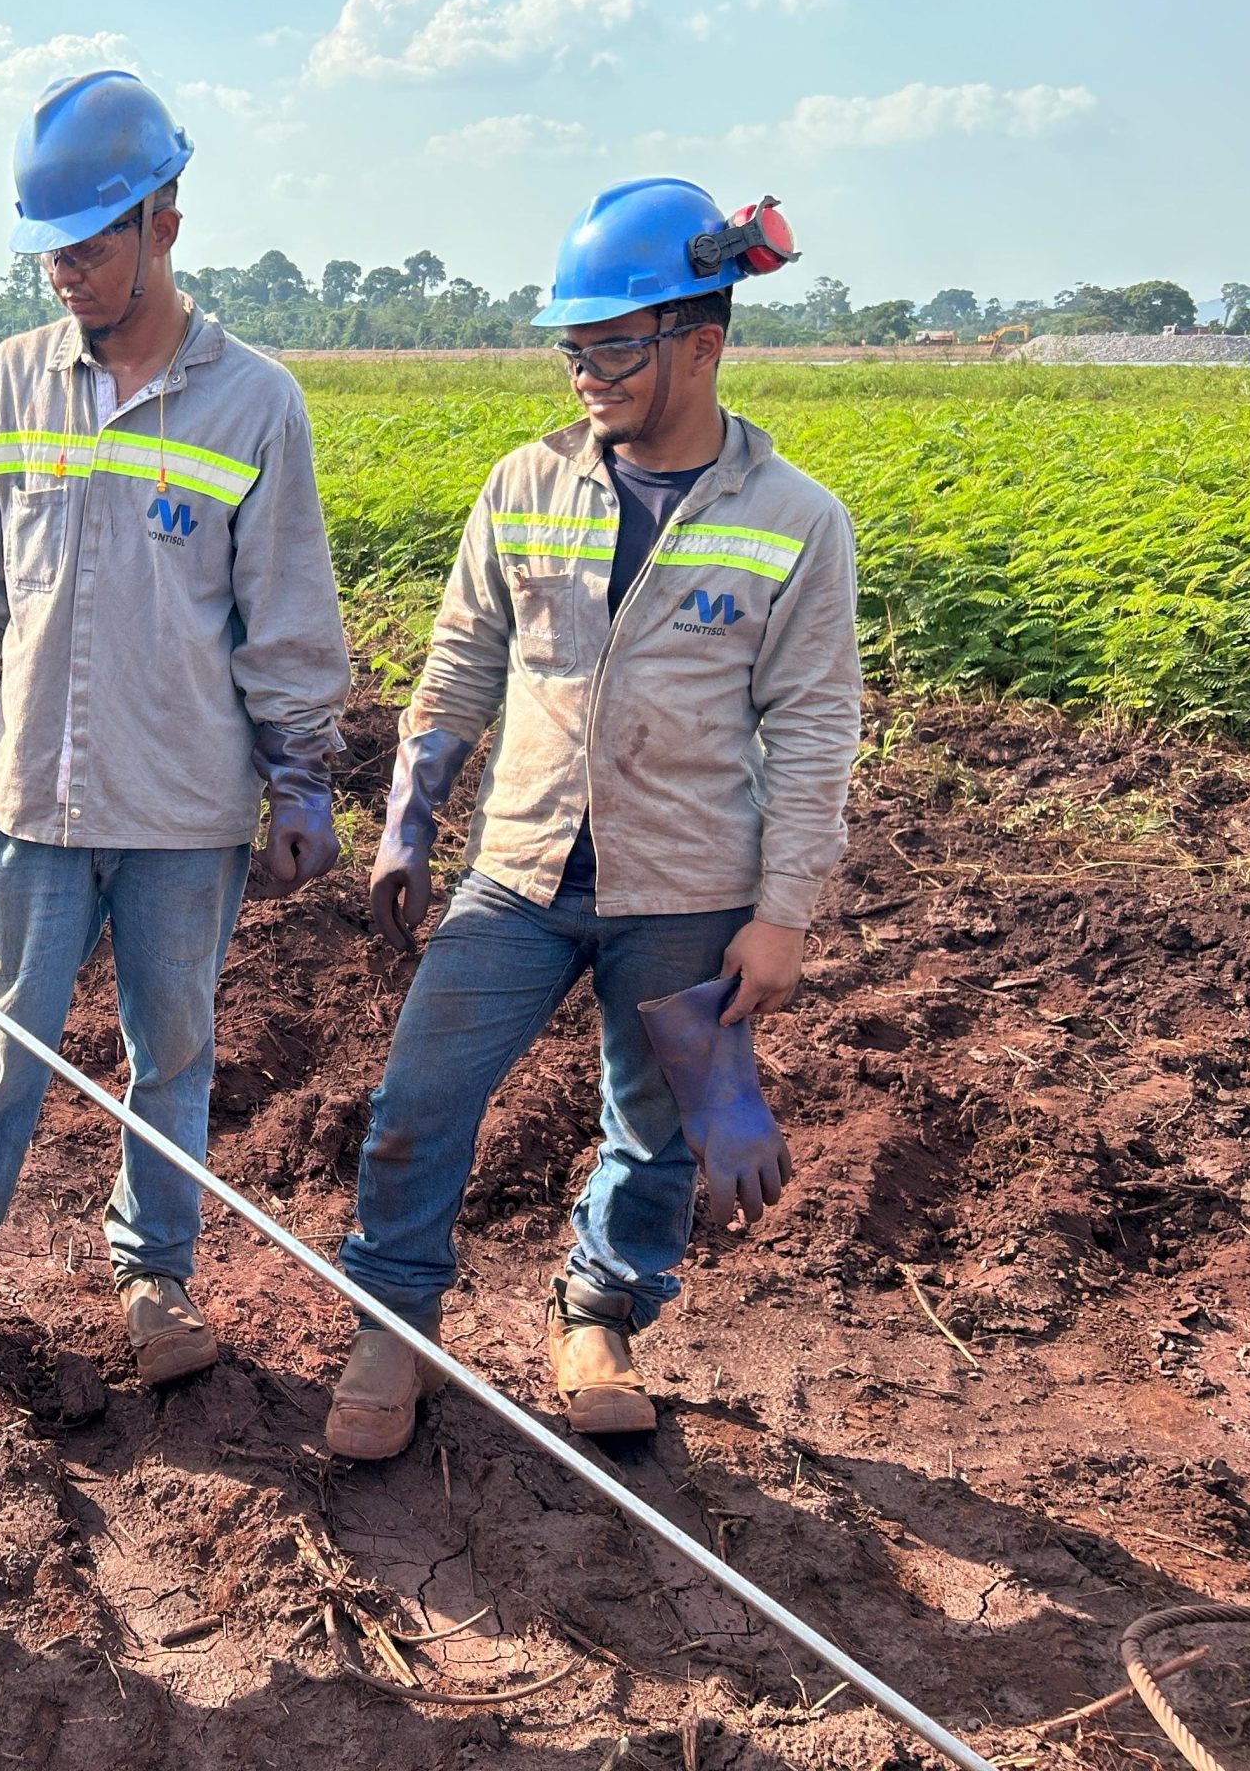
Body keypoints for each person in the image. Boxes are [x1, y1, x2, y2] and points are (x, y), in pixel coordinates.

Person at [0, 70, 352, 1386]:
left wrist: (304, 778)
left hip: (185, 807)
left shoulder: (254, 403)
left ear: (165, 218)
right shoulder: (9, 388)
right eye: (47, 252)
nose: (64, 276)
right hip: (32, 798)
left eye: (88, 246)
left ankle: (155, 1286)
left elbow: (286, 615)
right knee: (0, 1044)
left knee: (173, 1057)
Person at [324, 179, 863, 1460]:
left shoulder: (794, 521)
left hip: (686, 886)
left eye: (613, 346)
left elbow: (813, 733)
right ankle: (392, 1320)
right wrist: (409, 817)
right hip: (516, 867)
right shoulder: (524, 484)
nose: (586, 375)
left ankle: (600, 1315)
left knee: (656, 1127)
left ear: (701, 343)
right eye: (573, 348)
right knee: (416, 1101)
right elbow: (458, 664)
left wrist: (781, 917)